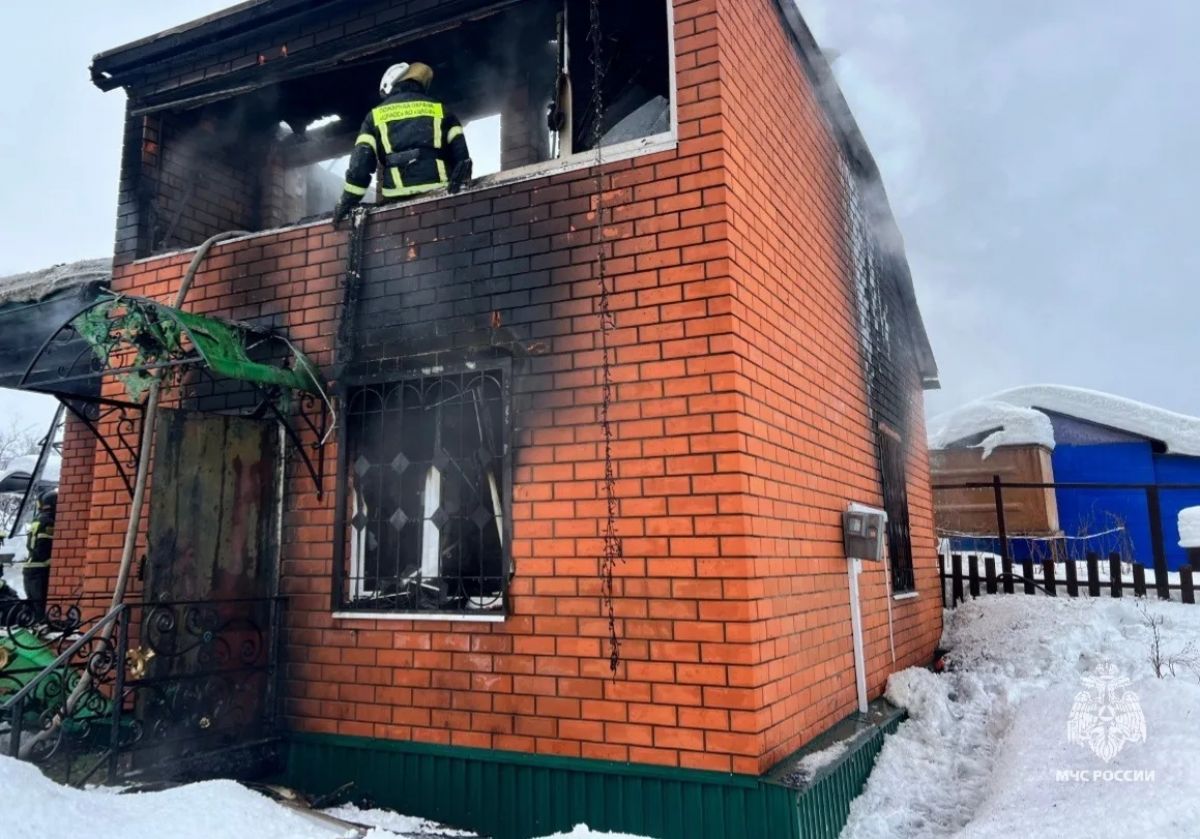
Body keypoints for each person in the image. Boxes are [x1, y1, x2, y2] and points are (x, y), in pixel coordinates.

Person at [333, 62, 473, 226]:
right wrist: (460, 192)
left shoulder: (375, 116)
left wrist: (346, 202)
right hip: (439, 192)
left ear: (389, 86)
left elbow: (360, 166)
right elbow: (462, 157)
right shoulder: (440, 110)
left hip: (397, 199)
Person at [23, 488, 55, 618]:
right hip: (40, 570)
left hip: (30, 568)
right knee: (40, 608)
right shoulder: (48, 522)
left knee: (33, 605)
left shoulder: (37, 520)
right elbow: (43, 547)